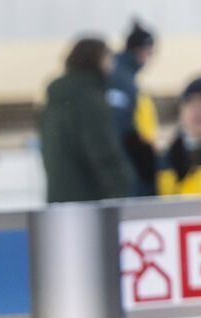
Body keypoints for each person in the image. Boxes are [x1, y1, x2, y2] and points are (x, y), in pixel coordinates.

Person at [39, 35, 133, 203]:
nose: (112, 64)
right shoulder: (89, 100)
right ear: (97, 60)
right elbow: (103, 152)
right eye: (108, 57)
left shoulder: (53, 99)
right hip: (89, 202)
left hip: (58, 197)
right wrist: (121, 190)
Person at [108, 19, 160, 196]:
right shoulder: (120, 78)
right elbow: (121, 127)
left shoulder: (124, 75)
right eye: (150, 53)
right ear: (140, 51)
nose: (149, 60)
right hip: (127, 166)